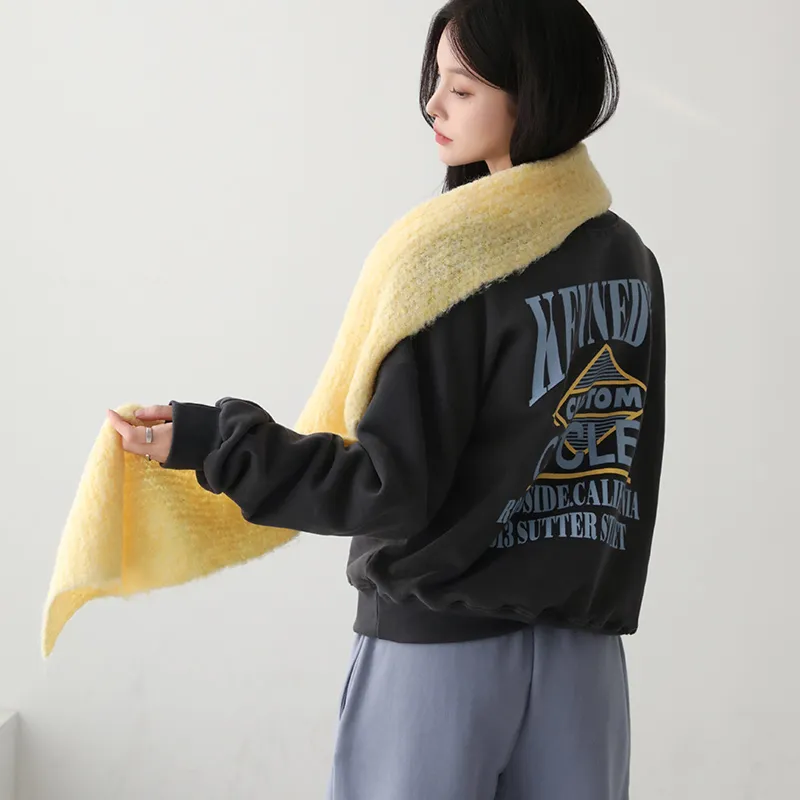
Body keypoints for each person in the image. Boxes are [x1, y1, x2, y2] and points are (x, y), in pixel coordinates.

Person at [107, 1, 665, 797]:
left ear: (533, 93)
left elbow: (387, 488)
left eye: (462, 89)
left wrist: (210, 440)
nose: (433, 105)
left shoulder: (449, 261)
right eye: (436, 81)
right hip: (586, 671)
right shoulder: (629, 260)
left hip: (439, 657)